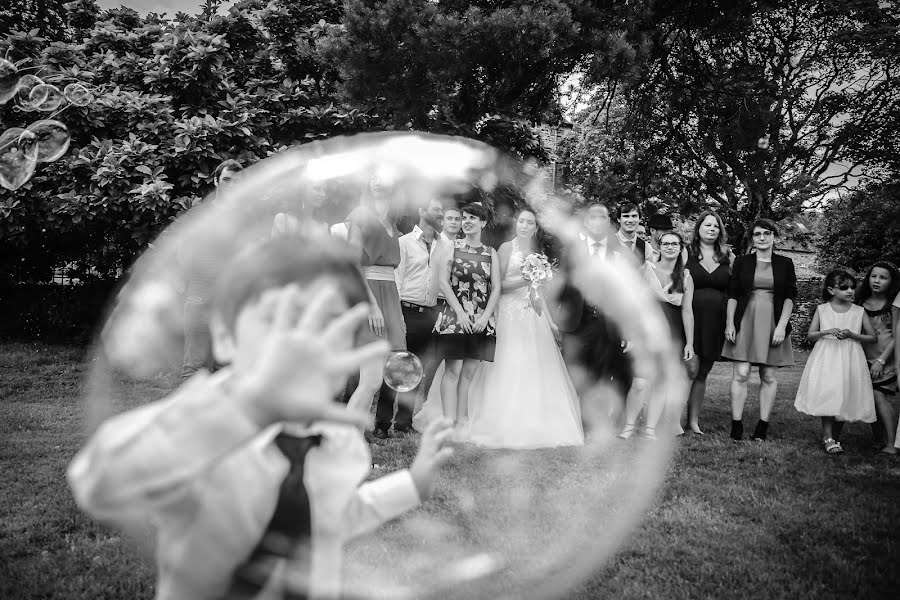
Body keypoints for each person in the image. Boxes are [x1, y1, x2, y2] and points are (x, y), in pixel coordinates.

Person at [68, 235, 454, 600]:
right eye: (277, 317)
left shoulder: (339, 440)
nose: (300, 341)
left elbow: (329, 518)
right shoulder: (205, 431)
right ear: (225, 337)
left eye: (327, 322)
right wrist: (248, 405)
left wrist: (411, 485)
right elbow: (99, 482)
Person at [464, 208, 584, 448]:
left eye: (530, 223)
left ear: (535, 228)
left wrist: (549, 321)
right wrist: (525, 279)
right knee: (509, 364)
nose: (525, 226)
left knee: (535, 366)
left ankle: (536, 421)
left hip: (532, 315)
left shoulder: (537, 254)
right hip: (509, 314)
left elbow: (537, 293)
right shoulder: (507, 249)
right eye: (521, 221)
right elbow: (497, 286)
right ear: (516, 224)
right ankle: (502, 421)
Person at [554, 201, 631, 424]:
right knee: (573, 372)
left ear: (609, 222)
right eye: (592, 218)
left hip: (606, 324)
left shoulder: (619, 252)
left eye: (602, 218)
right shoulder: (571, 250)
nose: (597, 222)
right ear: (586, 222)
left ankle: (588, 422)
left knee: (598, 374)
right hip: (576, 321)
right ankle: (569, 419)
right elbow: (562, 286)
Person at [346, 169, 409, 439]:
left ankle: (352, 442)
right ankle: (345, 442)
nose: (377, 179)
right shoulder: (360, 216)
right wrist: (372, 306)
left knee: (376, 380)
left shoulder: (393, 226)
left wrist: (397, 314)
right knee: (370, 379)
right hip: (369, 294)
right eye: (372, 175)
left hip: (390, 295)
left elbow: (391, 274)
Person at [722, 219, 797, 441]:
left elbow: (790, 297)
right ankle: (736, 424)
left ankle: (762, 426)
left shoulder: (786, 263)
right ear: (752, 238)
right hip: (746, 319)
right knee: (741, 373)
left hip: (774, 321)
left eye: (767, 233)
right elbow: (733, 294)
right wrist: (729, 323)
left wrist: (782, 326)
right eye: (757, 234)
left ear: (774, 236)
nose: (762, 238)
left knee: (769, 375)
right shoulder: (743, 262)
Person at [620, 231, 697, 440]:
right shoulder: (646, 269)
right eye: (665, 244)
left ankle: (650, 429)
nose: (670, 247)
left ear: (681, 248)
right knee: (640, 382)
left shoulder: (686, 277)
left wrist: (689, 342)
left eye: (674, 244)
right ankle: (628, 425)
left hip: (673, 333)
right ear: (659, 247)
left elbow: (687, 311)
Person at [433, 202, 501, 431]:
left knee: (469, 373)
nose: (467, 222)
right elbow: (443, 282)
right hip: (455, 317)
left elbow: (496, 288)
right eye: (465, 218)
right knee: (452, 370)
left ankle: (462, 422)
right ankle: (447, 423)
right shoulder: (452, 246)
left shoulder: (490, 253)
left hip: (482, 320)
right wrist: (460, 313)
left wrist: (485, 317)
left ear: (483, 222)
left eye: (473, 218)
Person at [795, 269, 877, 454]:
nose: (850, 291)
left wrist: (852, 334)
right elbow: (811, 335)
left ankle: (834, 437)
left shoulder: (859, 311)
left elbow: (872, 337)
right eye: (844, 288)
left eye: (852, 288)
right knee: (829, 392)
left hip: (850, 357)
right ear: (832, 290)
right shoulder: (822, 309)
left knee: (844, 394)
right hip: (827, 356)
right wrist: (826, 331)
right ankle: (828, 437)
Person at [180, 159, 243, 380]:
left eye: (236, 182)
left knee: (225, 369)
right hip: (202, 296)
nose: (231, 186)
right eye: (226, 180)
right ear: (216, 181)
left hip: (229, 300)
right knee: (196, 368)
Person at [393, 197, 448, 433]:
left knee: (416, 369)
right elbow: (397, 280)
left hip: (431, 313)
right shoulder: (404, 242)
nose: (441, 214)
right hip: (407, 310)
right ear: (422, 211)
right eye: (437, 210)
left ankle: (404, 422)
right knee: (398, 368)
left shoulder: (443, 245)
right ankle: (383, 423)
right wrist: (397, 315)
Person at [684, 210, 733, 434]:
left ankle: (693, 421)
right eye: (707, 225)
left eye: (715, 226)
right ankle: (672, 418)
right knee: (688, 370)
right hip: (690, 319)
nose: (711, 229)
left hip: (716, 321)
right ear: (699, 229)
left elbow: (736, 290)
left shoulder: (728, 256)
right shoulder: (686, 254)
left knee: (702, 372)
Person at [856, 261, 900, 455]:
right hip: (864, 358)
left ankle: (892, 443)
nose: (877, 280)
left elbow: (897, 335)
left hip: (886, 358)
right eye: (874, 276)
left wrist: (882, 360)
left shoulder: (893, 305)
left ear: (892, 282)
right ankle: (879, 439)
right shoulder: (860, 302)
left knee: (879, 397)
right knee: (870, 400)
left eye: (883, 277)